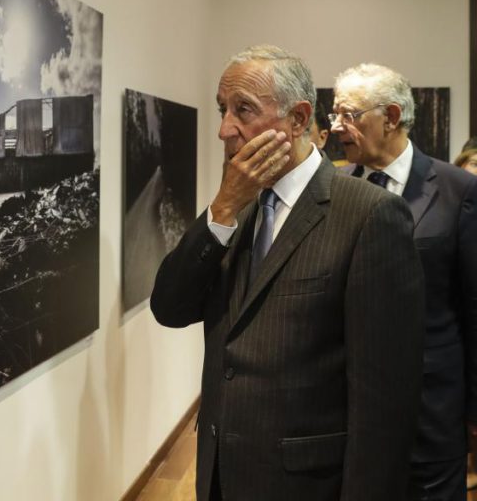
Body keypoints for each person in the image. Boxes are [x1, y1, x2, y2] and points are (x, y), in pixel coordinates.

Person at [151, 45, 425, 501]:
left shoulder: (370, 215)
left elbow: (385, 407)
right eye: (223, 109)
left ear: (298, 119)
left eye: (243, 110)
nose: (224, 129)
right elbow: (170, 307)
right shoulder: (239, 208)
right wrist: (221, 209)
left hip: (306, 484)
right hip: (221, 473)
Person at [331, 63, 477, 501]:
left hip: (430, 410)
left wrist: (473, 407)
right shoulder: (335, 189)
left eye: (349, 114)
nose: (337, 125)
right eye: (334, 114)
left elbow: (473, 306)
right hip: (349, 412)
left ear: (391, 117)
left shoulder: (457, 191)